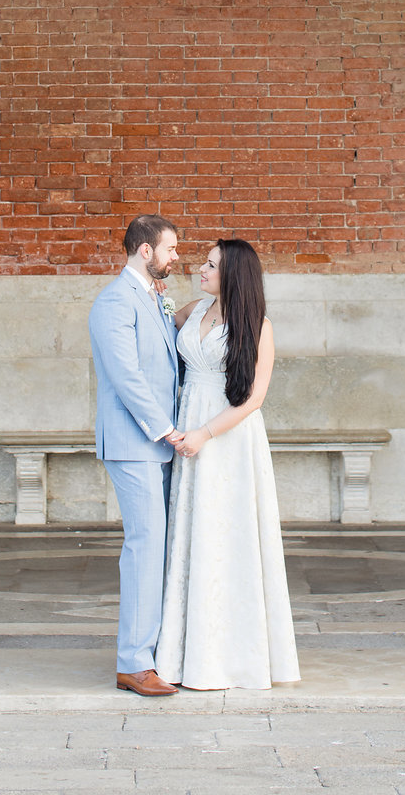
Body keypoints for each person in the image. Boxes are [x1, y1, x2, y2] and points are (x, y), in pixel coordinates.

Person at [156, 238, 300, 690]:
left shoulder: (257, 326)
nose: (201, 268)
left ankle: (233, 657)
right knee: (192, 535)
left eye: (211, 264)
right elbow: (161, 327)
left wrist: (204, 433)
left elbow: (255, 398)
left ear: (233, 273)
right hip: (188, 425)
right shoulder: (194, 310)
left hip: (228, 438)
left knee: (228, 537)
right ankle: (185, 654)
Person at [88, 214, 181, 697]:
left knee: (160, 547)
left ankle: (154, 652)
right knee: (144, 548)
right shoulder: (114, 302)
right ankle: (133, 663)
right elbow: (127, 378)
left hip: (158, 447)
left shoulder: (154, 300)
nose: (176, 257)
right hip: (135, 442)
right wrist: (168, 429)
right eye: (170, 249)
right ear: (145, 251)